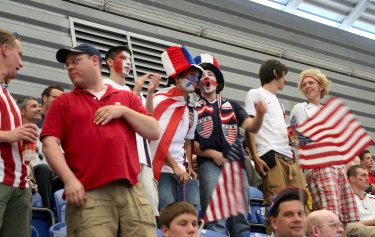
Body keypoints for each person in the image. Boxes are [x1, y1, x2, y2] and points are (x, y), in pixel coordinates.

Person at [41, 43, 160, 237]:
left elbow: (154, 131)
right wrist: (69, 180)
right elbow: (49, 144)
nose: (69, 67)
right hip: (89, 193)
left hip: (132, 190)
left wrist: (123, 111)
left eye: (75, 61)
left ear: (94, 60)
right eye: (67, 65)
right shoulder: (63, 101)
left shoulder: (126, 97)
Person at [193, 53, 266, 237]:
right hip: (209, 165)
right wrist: (212, 154)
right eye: (202, 75)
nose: (206, 77)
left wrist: (260, 115)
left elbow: (251, 127)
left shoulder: (232, 106)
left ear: (217, 81)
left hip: (236, 165)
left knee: (240, 221)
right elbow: (190, 143)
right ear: (198, 84)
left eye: (210, 74)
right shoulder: (193, 109)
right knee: (215, 220)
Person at [244, 59, 307, 233]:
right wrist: (255, 157)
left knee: (300, 203)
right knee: (276, 203)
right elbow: (250, 128)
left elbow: (284, 131)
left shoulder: (279, 103)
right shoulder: (255, 93)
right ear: (275, 73)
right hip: (270, 155)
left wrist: (296, 139)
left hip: (289, 157)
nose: (286, 80)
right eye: (284, 75)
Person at [290, 68, 359, 225]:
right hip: (319, 166)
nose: (307, 86)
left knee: (346, 219)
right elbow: (305, 136)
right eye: (304, 84)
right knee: (330, 215)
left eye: (311, 82)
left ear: (321, 86)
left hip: (339, 167)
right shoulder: (300, 108)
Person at [103, 45, 161, 220]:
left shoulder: (130, 90)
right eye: (123, 58)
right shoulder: (104, 86)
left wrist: (149, 93)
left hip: (143, 158)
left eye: (130, 60)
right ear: (110, 62)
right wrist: (136, 92)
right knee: (127, 212)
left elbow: (149, 118)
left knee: (150, 211)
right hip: (121, 158)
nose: (128, 63)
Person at [150, 45, 201, 212]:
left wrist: (188, 167)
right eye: (191, 74)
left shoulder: (192, 108)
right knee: (166, 211)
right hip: (162, 168)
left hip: (183, 170)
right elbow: (155, 139)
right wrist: (174, 166)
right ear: (177, 78)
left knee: (192, 212)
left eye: (197, 75)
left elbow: (187, 141)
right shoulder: (159, 101)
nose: (196, 79)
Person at [0, 29, 38, 237]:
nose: (21, 63)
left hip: (20, 184)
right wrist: (10, 135)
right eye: (20, 54)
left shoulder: (7, 94)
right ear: (5, 49)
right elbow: (9, 134)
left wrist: (23, 137)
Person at [17, 96, 53, 208]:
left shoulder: (45, 133)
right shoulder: (14, 132)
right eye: (34, 106)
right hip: (28, 175)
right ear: (22, 111)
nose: (39, 109)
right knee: (43, 169)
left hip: (49, 177)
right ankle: (45, 212)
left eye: (38, 106)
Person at [346, 165, 375, 236]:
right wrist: (370, 222)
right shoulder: (346, 200)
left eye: (367, 175)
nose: (367, 178)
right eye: (363, 175)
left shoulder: (373, 198)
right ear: (352, 179)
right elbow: (347, 226)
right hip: (361, 230)